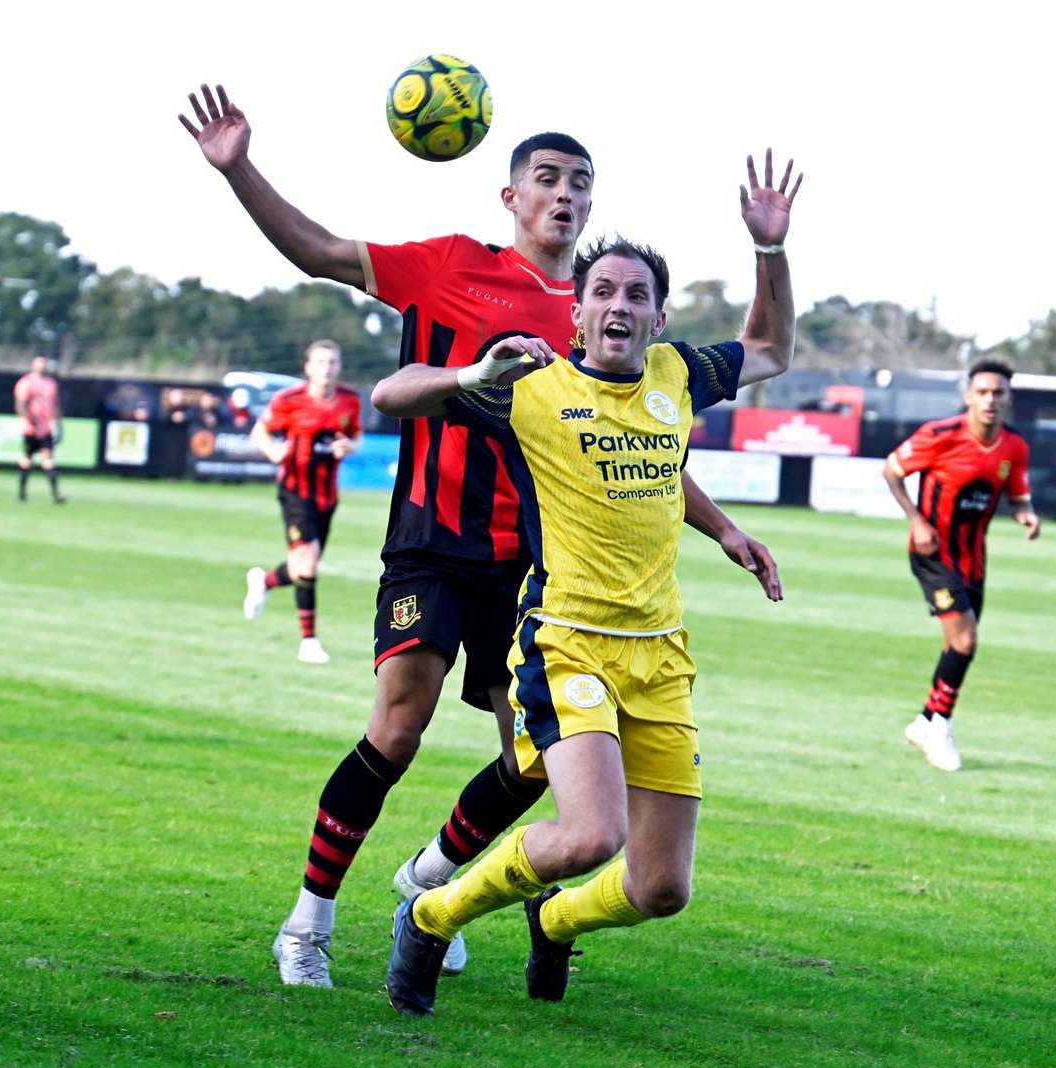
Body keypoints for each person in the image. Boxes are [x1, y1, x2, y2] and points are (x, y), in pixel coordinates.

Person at [180, 83, 780, 989]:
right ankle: (308, 920)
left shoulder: (601, 310)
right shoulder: (447, 265)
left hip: (536, 569)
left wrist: (723, 528)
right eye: (547, 178)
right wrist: (239, 171)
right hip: (433, 539)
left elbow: (642, 456)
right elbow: (315, 250)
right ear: (511, 196)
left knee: (530, 765)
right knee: (399, 723)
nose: (566, 195)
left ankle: (425, 880)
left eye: (581, 182)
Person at [378, 151, 799, 1016]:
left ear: (658, 316)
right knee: (589, 832)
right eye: (602, 291)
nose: (618, 305)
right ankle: (432, 914)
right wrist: (469, 374)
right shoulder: (530, 387)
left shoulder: (679, 377)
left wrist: (768, 251)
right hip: (563, 637)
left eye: (635, 295)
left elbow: (771, 348)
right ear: (577, 315)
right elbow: (391, 394)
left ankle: (559, 921)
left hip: (661, 653)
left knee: (659, 889)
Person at [882, 358, 1040, 772]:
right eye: (983, 392)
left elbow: (1018, 495)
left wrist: (1026, 514)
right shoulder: (941, 434)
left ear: (1008, 399)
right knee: (966, 640)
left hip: (974, 559)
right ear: (969, 395)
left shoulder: (1014, 447)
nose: (990, 400)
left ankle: (924, 720)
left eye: (998, 393)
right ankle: (941, 726)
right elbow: (892, 469)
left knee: (958, 645)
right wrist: (916, 520)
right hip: (934, 554)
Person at [242, 340, 362, 664]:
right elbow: (260, 432)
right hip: (296, 491)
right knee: (307, 563)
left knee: (300, 566)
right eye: (320, 362)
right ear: (307, 367)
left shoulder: (349, 400)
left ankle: (263, 581)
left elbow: (355, 437)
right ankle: (308, 642)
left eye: (332, 362)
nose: (327, 368)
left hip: (327, 496)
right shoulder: (289, 400)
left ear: (339, 366)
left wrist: (347, 447)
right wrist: (273, 452)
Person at [14, 355, 66, 504]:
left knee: (48, 460)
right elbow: (21, 405)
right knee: (27, 459)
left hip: (45, 429)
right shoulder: (26, 383)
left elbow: (55, 405)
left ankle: (56, 495)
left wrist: (59, 423)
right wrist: (30, 420)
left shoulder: (51, 383)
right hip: (30, 429)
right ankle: (22, 495)